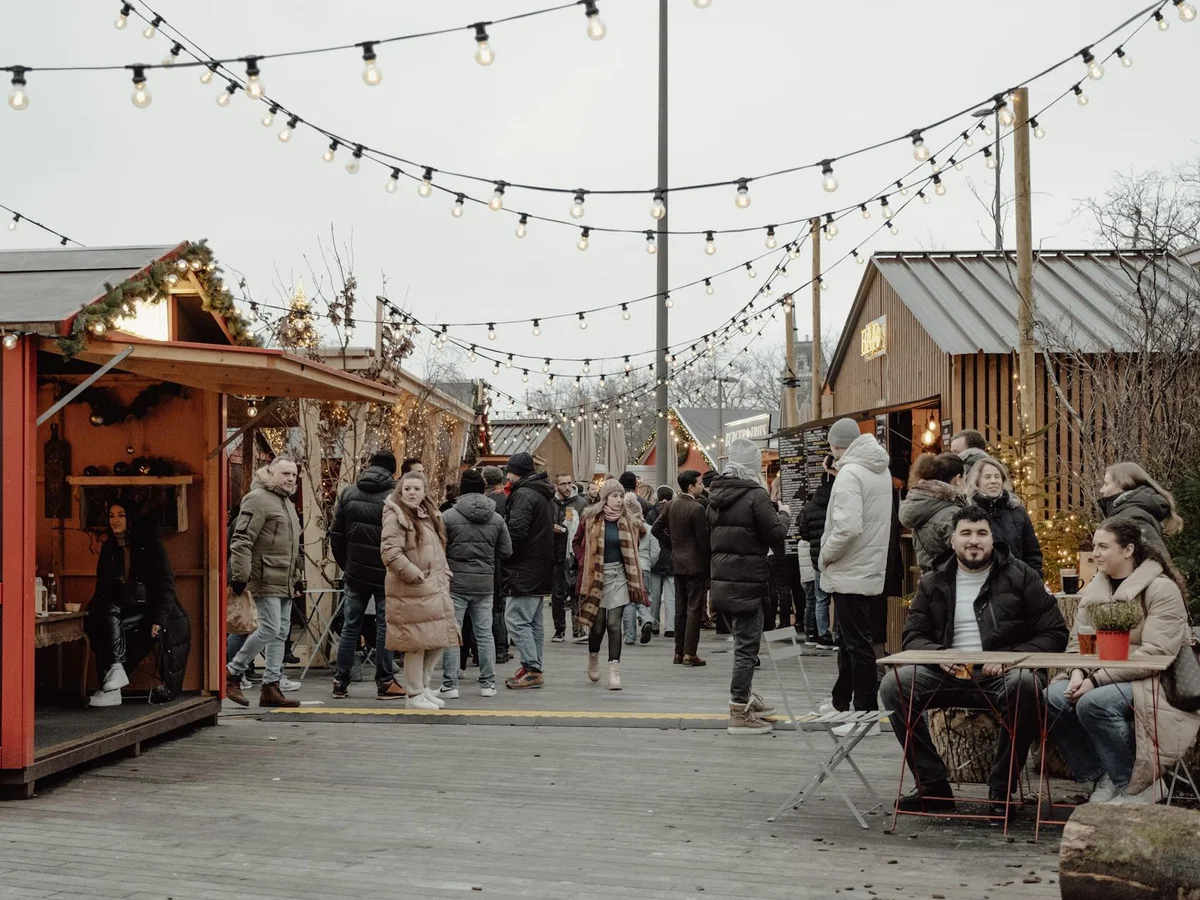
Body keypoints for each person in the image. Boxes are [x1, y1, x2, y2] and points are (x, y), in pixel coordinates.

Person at [881, 506, 1068, 814]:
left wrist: (1010, 659)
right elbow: (912, 637)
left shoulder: (1020, 575)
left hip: (1002, 674)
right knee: (894, 685)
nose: (974, 541)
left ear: (992, 539)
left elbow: (1055, 633)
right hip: (947, 673)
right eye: (966, 533)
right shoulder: (933, 581)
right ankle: (933, 786)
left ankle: (1001, 789)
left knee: (1025, 685)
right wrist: (939, 656)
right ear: (953, 540)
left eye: (981, 533)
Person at [1045, 517, 1200, 805]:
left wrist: (1094, 680)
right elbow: (1075, 646)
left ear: (1128, 550)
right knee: (1052, 697)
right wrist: (1077, 672)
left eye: (1103, 546)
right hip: (1096, 674)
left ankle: (1138, 784)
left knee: (1095, 703)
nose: (1096, 553)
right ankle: (1104, 774)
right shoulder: (1094, 591)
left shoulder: (1160, 590)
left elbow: (1156, 655)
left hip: (1153, 680)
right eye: (1095, 546)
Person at [708, 439, 787, 735]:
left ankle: (746, 700)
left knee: (742, 645)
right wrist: (784, 514)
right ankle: (739, 709)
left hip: (722, 581)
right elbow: (775, 534)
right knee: (747, 649)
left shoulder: (715, 494)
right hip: (748, 582)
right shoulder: (756, 495)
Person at [819, 418, 892, 719]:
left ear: (835, 445)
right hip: (870, 566)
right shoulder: (880, 469)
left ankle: (864, 712)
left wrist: (825, 555)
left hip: (848, 568)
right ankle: (840, 700)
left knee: (856, 644)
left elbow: (847, 528)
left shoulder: (849, 473)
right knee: (853, 641)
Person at [85, 501, 190, 707]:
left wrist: (159, 619)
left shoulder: (150, 544)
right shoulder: (109, 547)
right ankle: (114, 680)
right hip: (121, 607)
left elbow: (165, 585)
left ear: (130, 518)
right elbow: (103, 589)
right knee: (102, 620)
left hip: (150, 608)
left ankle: (114, 681)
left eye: (121, 515)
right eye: (112, 516)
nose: (115, 520)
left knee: (110, 617)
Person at [225, 456, 303, 709]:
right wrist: (239, 576)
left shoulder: (286, 503)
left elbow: (293, 547)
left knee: (280, 632)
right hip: (265, 576)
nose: (291, 479)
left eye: (293, 474)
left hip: (284, 578)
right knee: (269, 628)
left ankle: (271, 686)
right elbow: (241, 539)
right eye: (285, 474)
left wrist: (298, 577)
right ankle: (232, 672)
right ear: (271, 473)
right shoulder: (258, 499)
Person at [328, 449, 405, 700]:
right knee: (385, 625)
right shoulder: (395, 497)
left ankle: (341, 680)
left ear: (370, 466)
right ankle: (384, 681)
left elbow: (336, 535)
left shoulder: (348, 493)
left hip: (355, 572)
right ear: (393, 470)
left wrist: (346, 563)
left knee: (351, 626)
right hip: (386, 572)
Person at [381, 471, 460, 710]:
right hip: (411, 589)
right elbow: (390, 553)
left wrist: (444, 572)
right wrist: (415, 575)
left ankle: (424, 687)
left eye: (416, 488)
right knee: (415, 643)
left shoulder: (428, 515)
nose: (412, 493)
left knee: (438, 638)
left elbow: (437, 549)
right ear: (400, 491)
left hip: (434, 587)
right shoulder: (396, 517)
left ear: (424, 491)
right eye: (407, 489)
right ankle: (414, 694)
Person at [439, 469, 512, 699]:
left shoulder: (448, 516)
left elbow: (438, 548)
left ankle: (450, 684)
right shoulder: (497, 518)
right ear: (483, 489)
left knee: (453, 633)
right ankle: (488, 683)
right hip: (484, 583)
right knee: (485, 634)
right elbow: (506, 550)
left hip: (456, 582)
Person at [573, 480, 648, 689]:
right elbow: (576, 542)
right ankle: (593, 656)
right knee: (597, 628)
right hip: (596, 575)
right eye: (614, 496)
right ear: (605, 497)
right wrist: (583, 559)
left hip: (621, 576)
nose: (618, 500)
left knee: (614, 624)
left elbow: (639, 539)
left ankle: (614, 670)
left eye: (620, 495)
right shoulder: (590, 518)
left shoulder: (629, 520)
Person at [499, 452, 556, 689]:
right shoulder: (541, 492)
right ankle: (533, 665)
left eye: (509, 471)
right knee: (533, 622)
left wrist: (505, 554)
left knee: (515, 618)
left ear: (516, 472)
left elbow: (517, 531)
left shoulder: (523, 494)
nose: (507, 476)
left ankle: (532, 668)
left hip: (524, 566)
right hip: (540, 564)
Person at [652, 468, 711, 666]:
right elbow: (703, 542)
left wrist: (672, 545)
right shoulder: (697, 509)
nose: (702, 487)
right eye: (700, 483)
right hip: (695, 564)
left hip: (677, 561)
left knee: (680, 608)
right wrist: (708, 563)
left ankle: (678, 652)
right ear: (691, 486)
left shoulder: (671, 505)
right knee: (694, 608)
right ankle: (689, 653)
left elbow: (656, 529)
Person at [965, 456, 1043, 576]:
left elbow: (1032, 554)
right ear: (977, 482)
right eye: (987, 477)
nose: (993, 481)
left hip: (1016, 586)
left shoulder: (1017, 511)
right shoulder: (968, 512)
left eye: (997, 477)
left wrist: (1034, 583)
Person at [899, 452, 967, 573]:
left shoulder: (923, 504)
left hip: (929, 580)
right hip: (951, 580)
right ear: (958, 479)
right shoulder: (952, 512)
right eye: (965, 478)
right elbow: (964, 555)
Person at [1097, 462, 1183, 552]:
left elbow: (1157, 558)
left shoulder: (1132, 517)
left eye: (1106, 484)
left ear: (1123, 486)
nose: (1101, 490)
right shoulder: (1127, 514)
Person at [797, 456, 836, 649]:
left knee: (821, 598)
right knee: (839, 598)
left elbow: (802, 532)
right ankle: (838, 634)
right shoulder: (838, 501)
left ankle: (822, 636)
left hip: (817, 557)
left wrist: (814, 540)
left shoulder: (809, 506)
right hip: (838, 555)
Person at [551, 472, 587, 642]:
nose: (566, 486)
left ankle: (578, 629)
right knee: (557, 594)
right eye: (563, 483)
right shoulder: (550, 502)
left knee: (577, 593)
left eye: (569, 483)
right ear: (556, 485)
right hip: (556, 552)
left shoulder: (580, 503)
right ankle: (559, 630)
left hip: (575, 554)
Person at [620, 493, 659, 645]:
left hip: (628, 568)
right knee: (644, 597)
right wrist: (649, 563)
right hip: (645, 567)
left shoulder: (623, 528)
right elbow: (656, 550)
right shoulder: (648, 529)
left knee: (629, 601)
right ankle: (647, 619)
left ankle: (629, 636)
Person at [481, 465, 510, 663]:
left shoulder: (487, 503)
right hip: (505, 554)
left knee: (494, 605)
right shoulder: (509, 500)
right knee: (501, 603)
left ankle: (498, 646)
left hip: (490, 556)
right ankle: (503, 645)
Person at [646, 486, 675, 637]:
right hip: (671, 558)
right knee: (671, 596)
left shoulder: (651, 513)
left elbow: (649, 534)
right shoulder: (675, 511)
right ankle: (670, 627)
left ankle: (654, 624)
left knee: (654, 595)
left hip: (655, 559)